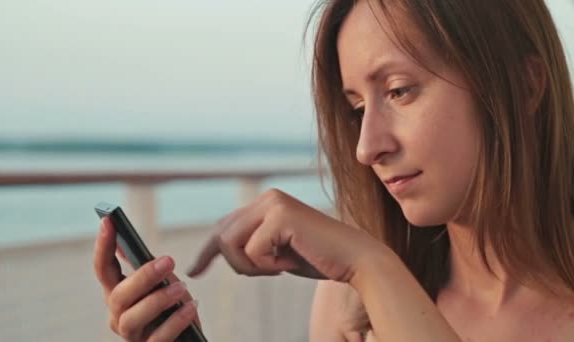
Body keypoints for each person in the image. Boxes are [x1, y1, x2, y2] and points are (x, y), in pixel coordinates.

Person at [93, 0, 574, 340]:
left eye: (399, 90)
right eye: (357, 108)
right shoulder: (351, 308)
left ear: (526, 86)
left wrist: (373, 268)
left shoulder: (368, 284)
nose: (367, 148)